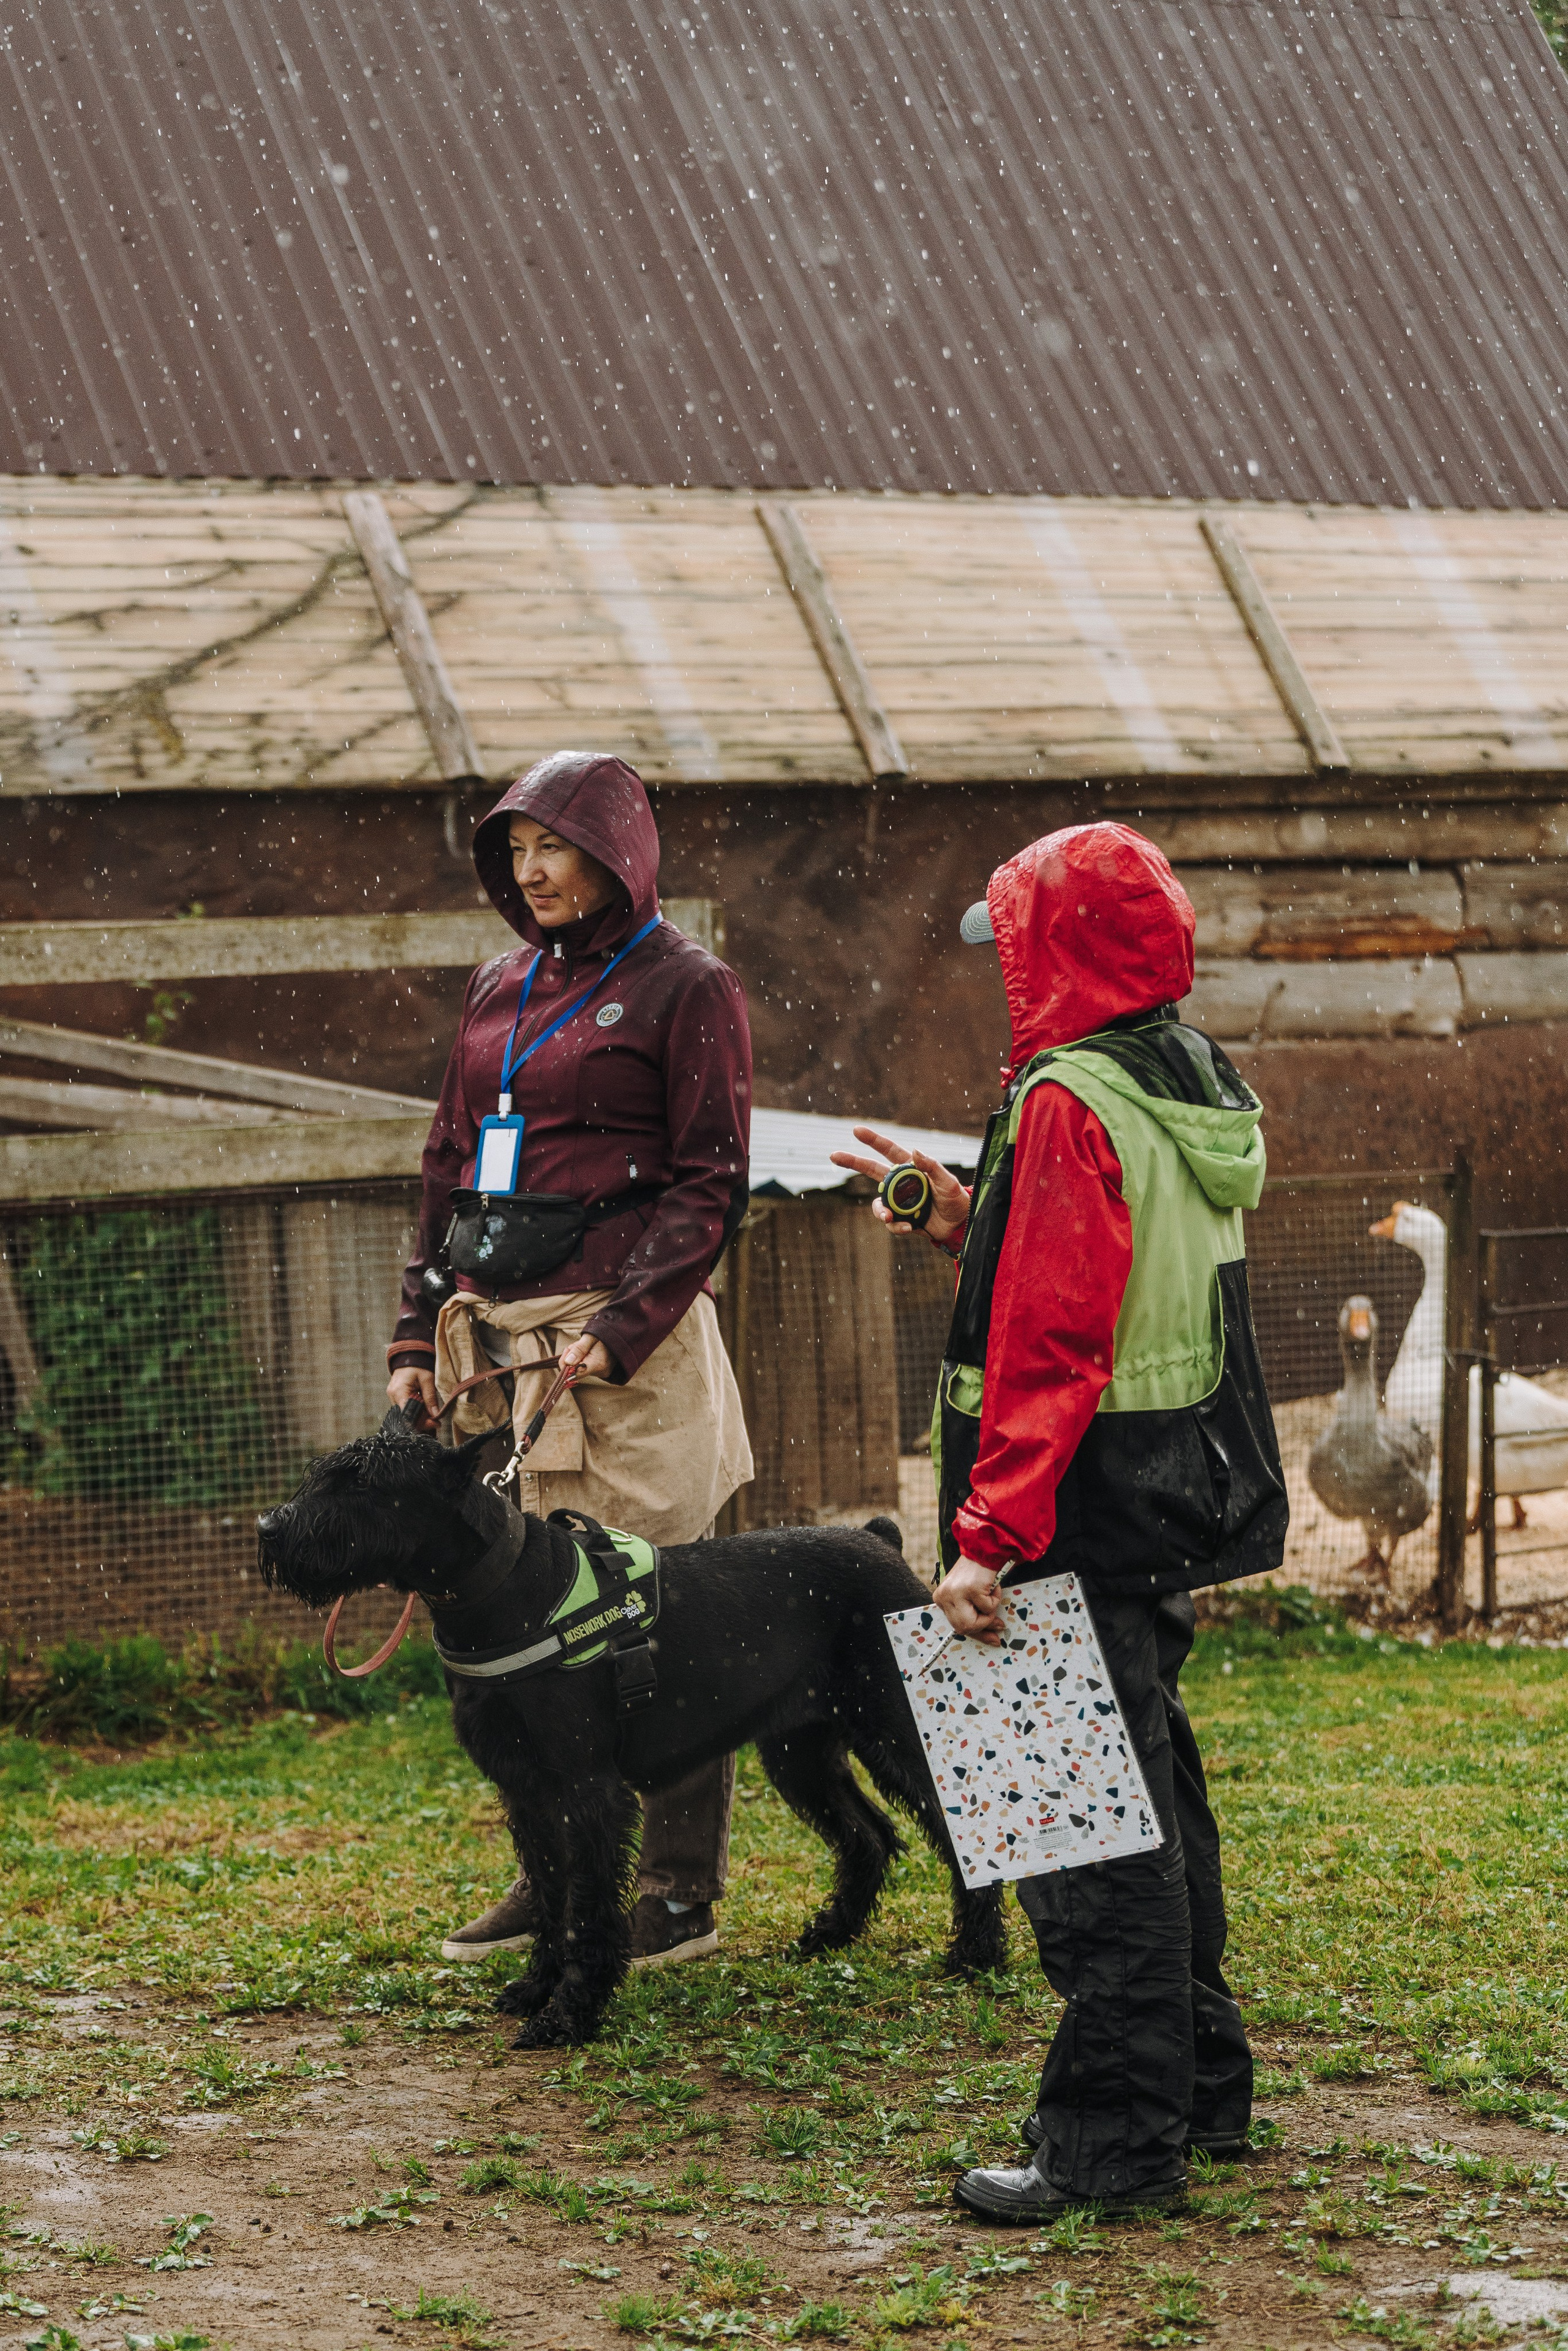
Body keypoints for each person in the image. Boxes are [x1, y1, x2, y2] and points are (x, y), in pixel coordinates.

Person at [834, 822, 1287, 2223]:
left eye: (1013, 944)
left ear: (1058, 950)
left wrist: (988, 1534)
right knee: (1155, 1803)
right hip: (1161, 1487)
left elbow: (1052, 1337)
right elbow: (1100, 1257)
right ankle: (1197, 2093)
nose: (1001, 973)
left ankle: (1106, 2140)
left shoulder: (1064, 1095)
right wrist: (967, 1214)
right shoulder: (1179, 1073)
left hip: (1064, 1507)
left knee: (1077, 1835)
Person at [387, 749, 753, 1971]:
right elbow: (448, 1164)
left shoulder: (687, 986)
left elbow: (708, 1179)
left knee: (652, 1612)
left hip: (621, 1349)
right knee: (529, 1619)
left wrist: (626, 1323)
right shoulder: (499, 982)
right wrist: (413, 1326)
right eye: (515, 849)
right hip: (498, 1342)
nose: (531, 869)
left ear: (620, 852)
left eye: (555, 845)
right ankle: (554, 1874)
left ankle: (676, 1887)